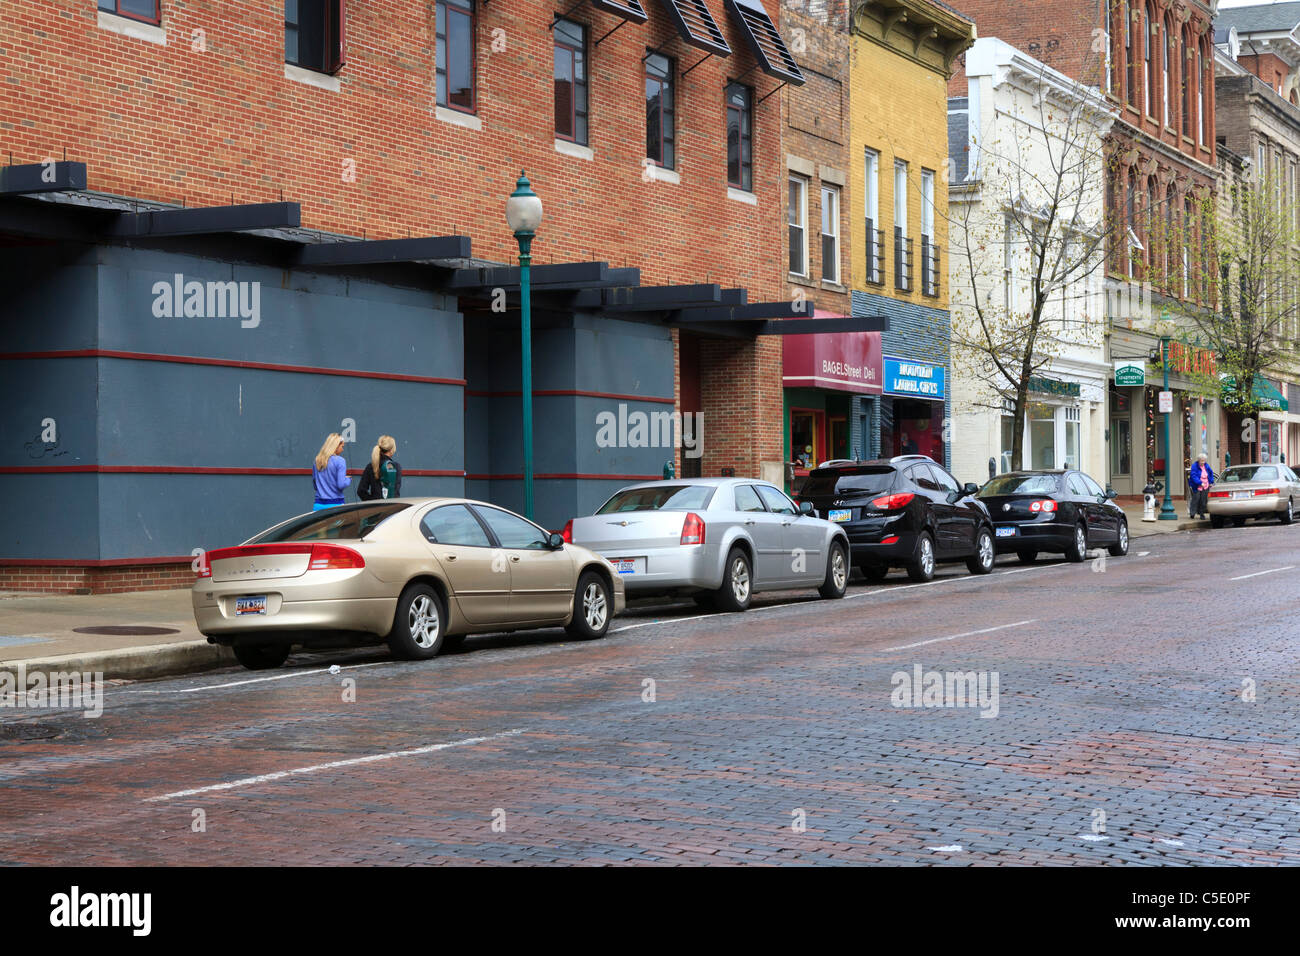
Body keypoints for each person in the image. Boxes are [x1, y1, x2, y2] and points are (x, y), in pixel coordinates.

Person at [312, 433, 350, 510]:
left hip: (318, 505)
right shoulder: (340, 461)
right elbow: (341, 485)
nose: (342, 449)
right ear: (336, 446)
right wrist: (348, 480)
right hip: (336, 505)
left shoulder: (317, 460)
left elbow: (315, 485)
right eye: (342, 446)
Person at [357, 435, 402, 501]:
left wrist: (372, 502)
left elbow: (361, 491)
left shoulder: (370, 466)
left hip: (375, 508)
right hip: (392, 507)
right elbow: (396, 491)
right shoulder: (395, 466)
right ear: (392, 449)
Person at [1188, 453, 1215, 520]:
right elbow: (1193, 476)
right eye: (1201, 461)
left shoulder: (1206, 466)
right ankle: (1192, 513)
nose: (1202, 462)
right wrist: (1200, 483)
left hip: (1206, 485)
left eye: (1204, 461)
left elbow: (1211, 474)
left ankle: (1202, 514)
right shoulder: (1194, 466)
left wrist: (1211, 482)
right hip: (1197, 485)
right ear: (1198, 460)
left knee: (1203, 500)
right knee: (1196, 499)